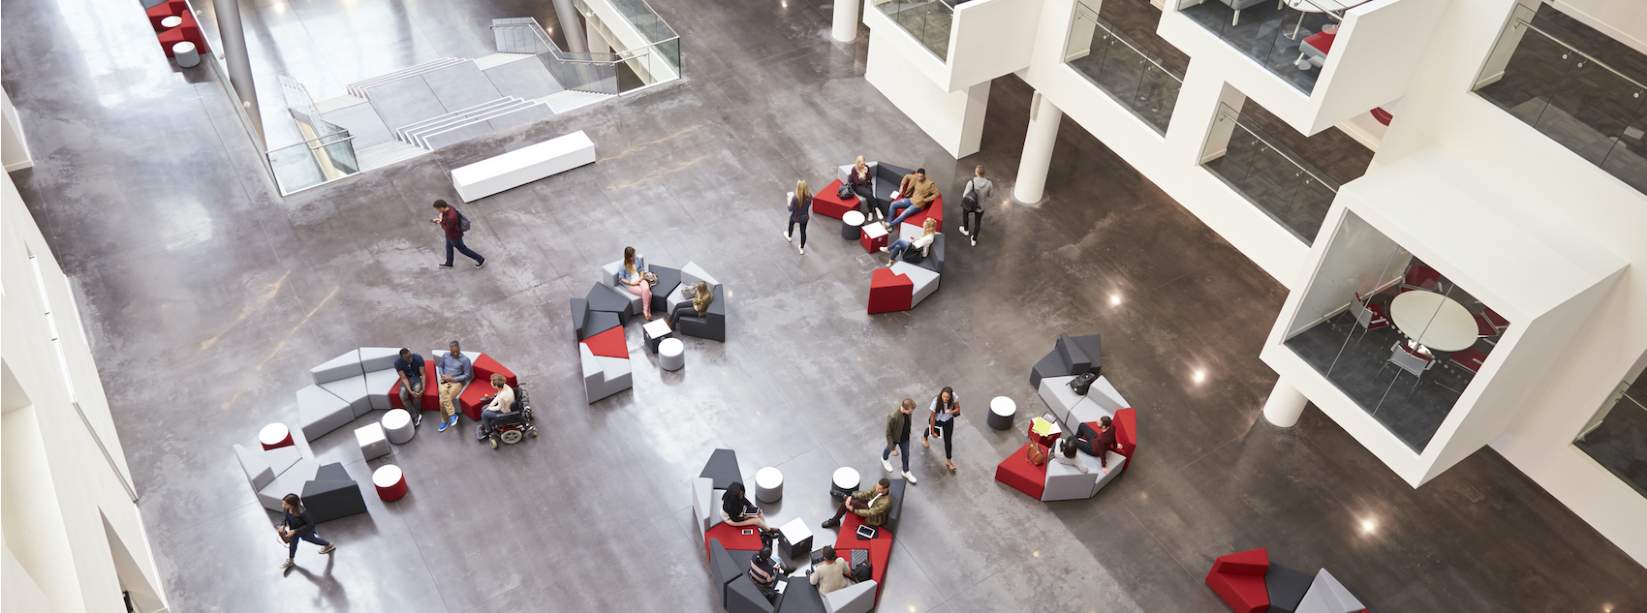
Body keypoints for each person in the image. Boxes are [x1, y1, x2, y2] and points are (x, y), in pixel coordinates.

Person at [277, 494, 335, 571]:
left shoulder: (302, 512)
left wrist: (295, 531)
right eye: (283, 503)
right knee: (292, 545)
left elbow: (310, 525)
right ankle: (291, 560)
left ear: (291, 504)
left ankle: (328, 545)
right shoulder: (286, 509)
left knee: (313, 540)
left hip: (305, 532)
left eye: (284, 503)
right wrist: (282, 525)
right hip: (293, 531)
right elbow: (285, 518)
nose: (282, 505)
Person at [430, 199, 485, 269]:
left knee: (463, 249)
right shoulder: (449, 207)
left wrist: (439, 221)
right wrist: (440, 218)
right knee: (448, 247)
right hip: (450, 234)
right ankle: (449, 263)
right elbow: (444, 218)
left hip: (454, 236)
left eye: (438, 209)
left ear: (441, 207)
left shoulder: (451, 217)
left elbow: (447, 228)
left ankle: (480, 259)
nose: (438, 211)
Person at [821, 477, 892, 529]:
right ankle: (846, 497)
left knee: (850, 503)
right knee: (852, 499)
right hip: (869, 502)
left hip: (873, 515)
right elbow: (866, 493)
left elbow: (870, 512)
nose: (876, 489)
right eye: (877, 487)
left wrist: (854, 510)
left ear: (886, 489)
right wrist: (854, 495)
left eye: (879, 489)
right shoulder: (877, 487)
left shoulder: (885, 502)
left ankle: (844, 498)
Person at [921, 386, 961, 472]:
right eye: (943, 396)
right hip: (937, 421)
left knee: (948, 441)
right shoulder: (936, 402)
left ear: (951, 396)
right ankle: (924, 437)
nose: (945, 399)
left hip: (949, 420)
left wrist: (950, 412)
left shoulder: (954, 397)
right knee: (930, 431)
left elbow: (958, 409)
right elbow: (932, 418)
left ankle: (948, 461)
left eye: (947, 397)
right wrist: (932, 431)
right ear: (941, 395)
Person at [435, 340, 472, 433]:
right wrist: (442, 375)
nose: (455, 353)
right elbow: (440, 366)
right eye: (453, 352)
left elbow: (468, 375)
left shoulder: (465, 360)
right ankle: (452, 416)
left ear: (459, 348)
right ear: (450, 350)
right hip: (444, 380)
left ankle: (445, 420)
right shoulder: (445, 355)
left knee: (442, 401)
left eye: (457, 351)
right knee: (443, 395)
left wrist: (453, 379)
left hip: (457, 382)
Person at [880, 399, 919, 484]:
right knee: (888, 449)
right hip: (894, 438)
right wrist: (893, 448)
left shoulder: (909, 413)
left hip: (905, 438)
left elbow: (908, 423)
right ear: (905, 408)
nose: (912, 413)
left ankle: (906, 471)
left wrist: (908, 432)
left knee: (906, 454)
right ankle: (884, 459)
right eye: (910, 411)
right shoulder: (893, 416)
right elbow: (888, 434)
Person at [957, 165, 993, 247]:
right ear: (984, 173)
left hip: (970, 205)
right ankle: (974, 240)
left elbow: (964, 195)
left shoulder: (971, 182)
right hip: (980, 207)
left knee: (965, 214)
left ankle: (966, 230)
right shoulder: (989, 183)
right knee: (977, 223)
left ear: (976, 172)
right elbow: (990, 195)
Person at [617, 246, 654, 320]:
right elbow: (621, 278)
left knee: (646, 289)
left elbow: (642, 269)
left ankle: (644, 310)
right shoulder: (622, 265)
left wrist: (641, 277)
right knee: (649, 294)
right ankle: (648, 312)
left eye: (634, 255)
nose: (634, 257)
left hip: (640, 279)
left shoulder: (637, 259)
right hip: (631, 283)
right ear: (628, 257)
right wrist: (632, 284)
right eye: (632, 256)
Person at [475, 373, 516, 441]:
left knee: (484, 414)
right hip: (506, 405)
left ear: (496, 386)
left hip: (505, 412)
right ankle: (488, 424)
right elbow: (498, 396)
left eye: (492, 382)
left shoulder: (502, 396)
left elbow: (498, 407)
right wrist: (490, 405)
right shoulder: (505, 386)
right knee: (485, 408)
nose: (491, 383)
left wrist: (489, 408)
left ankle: (488, 431)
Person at [393, 348, 425, 428]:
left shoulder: (418, 358)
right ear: (402, 358)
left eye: (410, 356)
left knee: (417, 391)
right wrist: (410, 391)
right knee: (403, 395)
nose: (410, 358)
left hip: (417, 377)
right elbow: (403, 378)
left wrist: (423, 388)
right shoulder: (398, 363)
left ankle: (416, 413)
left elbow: (423, 374)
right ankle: (415, 416)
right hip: (407, 379)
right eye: (407, 358)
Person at [785, 179, 812, 255]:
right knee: (803, 232)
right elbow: (809, 204)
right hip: (804, 217)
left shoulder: (795, 198)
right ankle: (801, 248)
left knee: (791, 224)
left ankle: (789, 236)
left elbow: (790, 209)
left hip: (795, 216)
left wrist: (788, 200)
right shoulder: (809, 196)